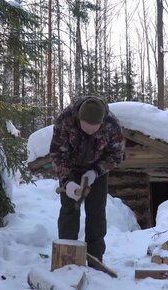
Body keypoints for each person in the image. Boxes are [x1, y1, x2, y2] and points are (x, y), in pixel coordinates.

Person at [49, 96, 125, 267]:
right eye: (85, 129)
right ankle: (67, 258)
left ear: (102, 123)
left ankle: (95, 258)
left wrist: (95, 172)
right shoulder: (65, 120)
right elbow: (56, 153)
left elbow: (116, 155)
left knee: (96, 214)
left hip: (97, 171)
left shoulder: (112, 125)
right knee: (69, 211)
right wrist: (67, 182)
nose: (89, 133)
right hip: (70, 169)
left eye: (94, 130)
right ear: (78, 120)